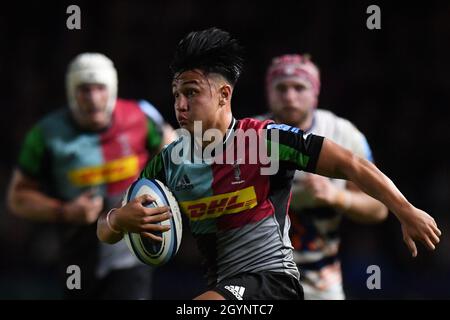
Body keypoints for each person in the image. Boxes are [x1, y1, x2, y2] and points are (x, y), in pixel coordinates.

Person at [97, 28, 441, 300]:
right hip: (226, 287)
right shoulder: (169, 163)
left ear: (224, 95)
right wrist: (118, 219)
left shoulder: (264, 140)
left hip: (273, 283)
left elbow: (350, 163)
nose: (180, 104)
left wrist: (405, 210)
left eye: (191, 92)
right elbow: (105, 229)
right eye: (175, 95)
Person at [7, 52, 176, 299]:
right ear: (71, 91)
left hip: (129, 258)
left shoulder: (139, 118)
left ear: (113, 89)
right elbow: (17, 198)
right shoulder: (45, 135)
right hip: (76, 258)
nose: (93, 98)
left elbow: (170, 152)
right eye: (84, 89)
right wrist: (65, 211)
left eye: (100, 88)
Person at [258, 54, 388, 299]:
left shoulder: (343, 134)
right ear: (268, 92)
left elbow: (379, 208)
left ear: (315, 92)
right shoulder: (247, 135)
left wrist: (337, 197)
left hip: (320, 284)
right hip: (257, 278)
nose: (289, 96)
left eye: (299, 87)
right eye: (281, 88)